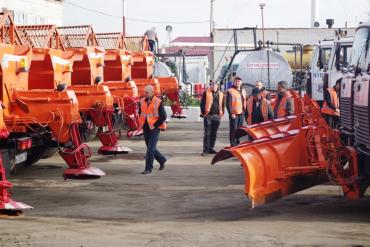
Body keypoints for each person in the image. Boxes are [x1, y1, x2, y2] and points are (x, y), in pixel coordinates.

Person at [138, 85, 167, 174]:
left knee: (150, 148)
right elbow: (141, 113)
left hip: (155, 128)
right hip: (146, 127)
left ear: (152, 92)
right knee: (150, 147)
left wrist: (155, 125)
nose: (145, 94)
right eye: (144, 92)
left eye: (147, 92)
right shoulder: (142, 101)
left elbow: (163, 116)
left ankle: (148, 168)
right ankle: (162, 159)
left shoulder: (158, 102)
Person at [200, 80, 224, 156]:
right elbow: (202, 104)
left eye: (214, 85)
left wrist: (221, 114)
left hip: (217, 116)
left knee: (214, 133)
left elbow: (223, 105)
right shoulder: (206, 93)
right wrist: (204, 114)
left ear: (217, 86)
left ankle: (211, 148)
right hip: (208, 116)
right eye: (211, 85)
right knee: (207, 133)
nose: (213, 86)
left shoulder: (221, 94)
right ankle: (206, 149)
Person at [226, 76, 247, 146]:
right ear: (234, 82)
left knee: (239, 130)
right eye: (236, 81)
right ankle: (233, 144)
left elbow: (244, 101)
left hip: (241, 113)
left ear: (241, 82)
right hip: (234, 114)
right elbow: (228, 104)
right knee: (233, 130)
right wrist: (231, 113)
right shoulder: (230, 91)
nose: (237, 82)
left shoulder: (243, 91)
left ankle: (238, 143)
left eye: (239, 81)